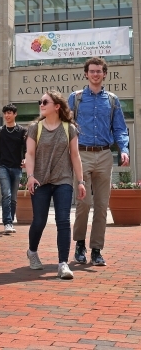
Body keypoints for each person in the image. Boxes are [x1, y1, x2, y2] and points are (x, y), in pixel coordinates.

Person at [69, 57, 129, 267]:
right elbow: (65, 128)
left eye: (99, 71)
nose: (95, 74)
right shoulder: (75, 98)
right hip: (81, 154)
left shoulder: (112, 100)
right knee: (83, 204)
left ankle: (96, 250)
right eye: (92, 71)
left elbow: (120, 128)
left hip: (104, 155)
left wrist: (124, 149)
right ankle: (79, 245)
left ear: (104, 74)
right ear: (86, 74)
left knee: (102, 206)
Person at [25, 91, 86, 280]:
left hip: (63, 180)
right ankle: (32, 251)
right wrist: (30, 176)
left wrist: (81, 181)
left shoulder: (70, 129)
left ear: (57, 106)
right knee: (39, 221)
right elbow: (30, 154)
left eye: (45, 102)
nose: (41, 104)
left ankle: (63, 264)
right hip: (40, 180)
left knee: (63, 221)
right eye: (40, 102)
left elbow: (75, 156)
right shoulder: (35, 128)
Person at [0, 104, 27, 234]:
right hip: (3, 166)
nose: (7, 115)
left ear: (15, 114)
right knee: (7, 194)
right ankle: (7, 223)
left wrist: (26, 160)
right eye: (5, 113)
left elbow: (27, 150)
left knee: (14, 197)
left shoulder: (22, 131)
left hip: (17, 167)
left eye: (9, 113)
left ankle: (11, 220)